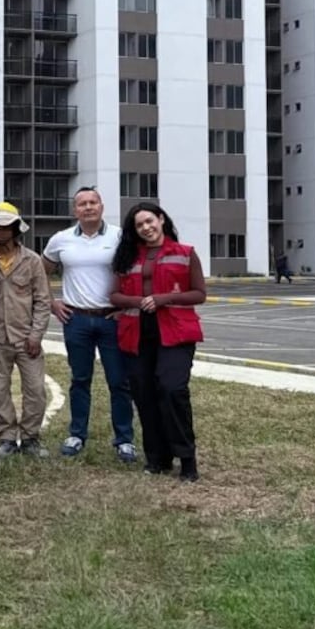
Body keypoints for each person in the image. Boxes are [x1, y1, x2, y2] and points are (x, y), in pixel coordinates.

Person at [110, 203, 206, 481]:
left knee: (172, 389)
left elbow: (199, 293)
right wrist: (138, 301)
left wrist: (164, 299)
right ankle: (157, 458)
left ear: (161, 219)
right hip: (137, 333)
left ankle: (186, 458)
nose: (146, 228)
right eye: (139, 225)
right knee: (144, 394)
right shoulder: (126, 257)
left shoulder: (185, 253)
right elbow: (114, 296)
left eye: (149, 221)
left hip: (175, 332)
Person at [41, 186, 137, 463]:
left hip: (111, 319)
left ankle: (124, 439)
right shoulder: (60, 240)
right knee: (80, 379)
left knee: (119, 381)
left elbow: (135, 272)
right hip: (76, 319)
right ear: (75, 210)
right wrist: (52, 303)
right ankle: (77, 434)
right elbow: (40, 272)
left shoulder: (120, 236)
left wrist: (126, 307)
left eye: (93, 202)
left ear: (102, 206)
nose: (88, 207)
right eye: (82, 204)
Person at [0, 202, 51, 459]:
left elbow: (42, 301)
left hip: (27, 338)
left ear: (16, 229)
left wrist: (36, 335)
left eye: (6, 226)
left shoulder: (32, 261)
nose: (1, 232)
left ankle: (30, 438)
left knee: (36, 390)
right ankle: (7, 438)